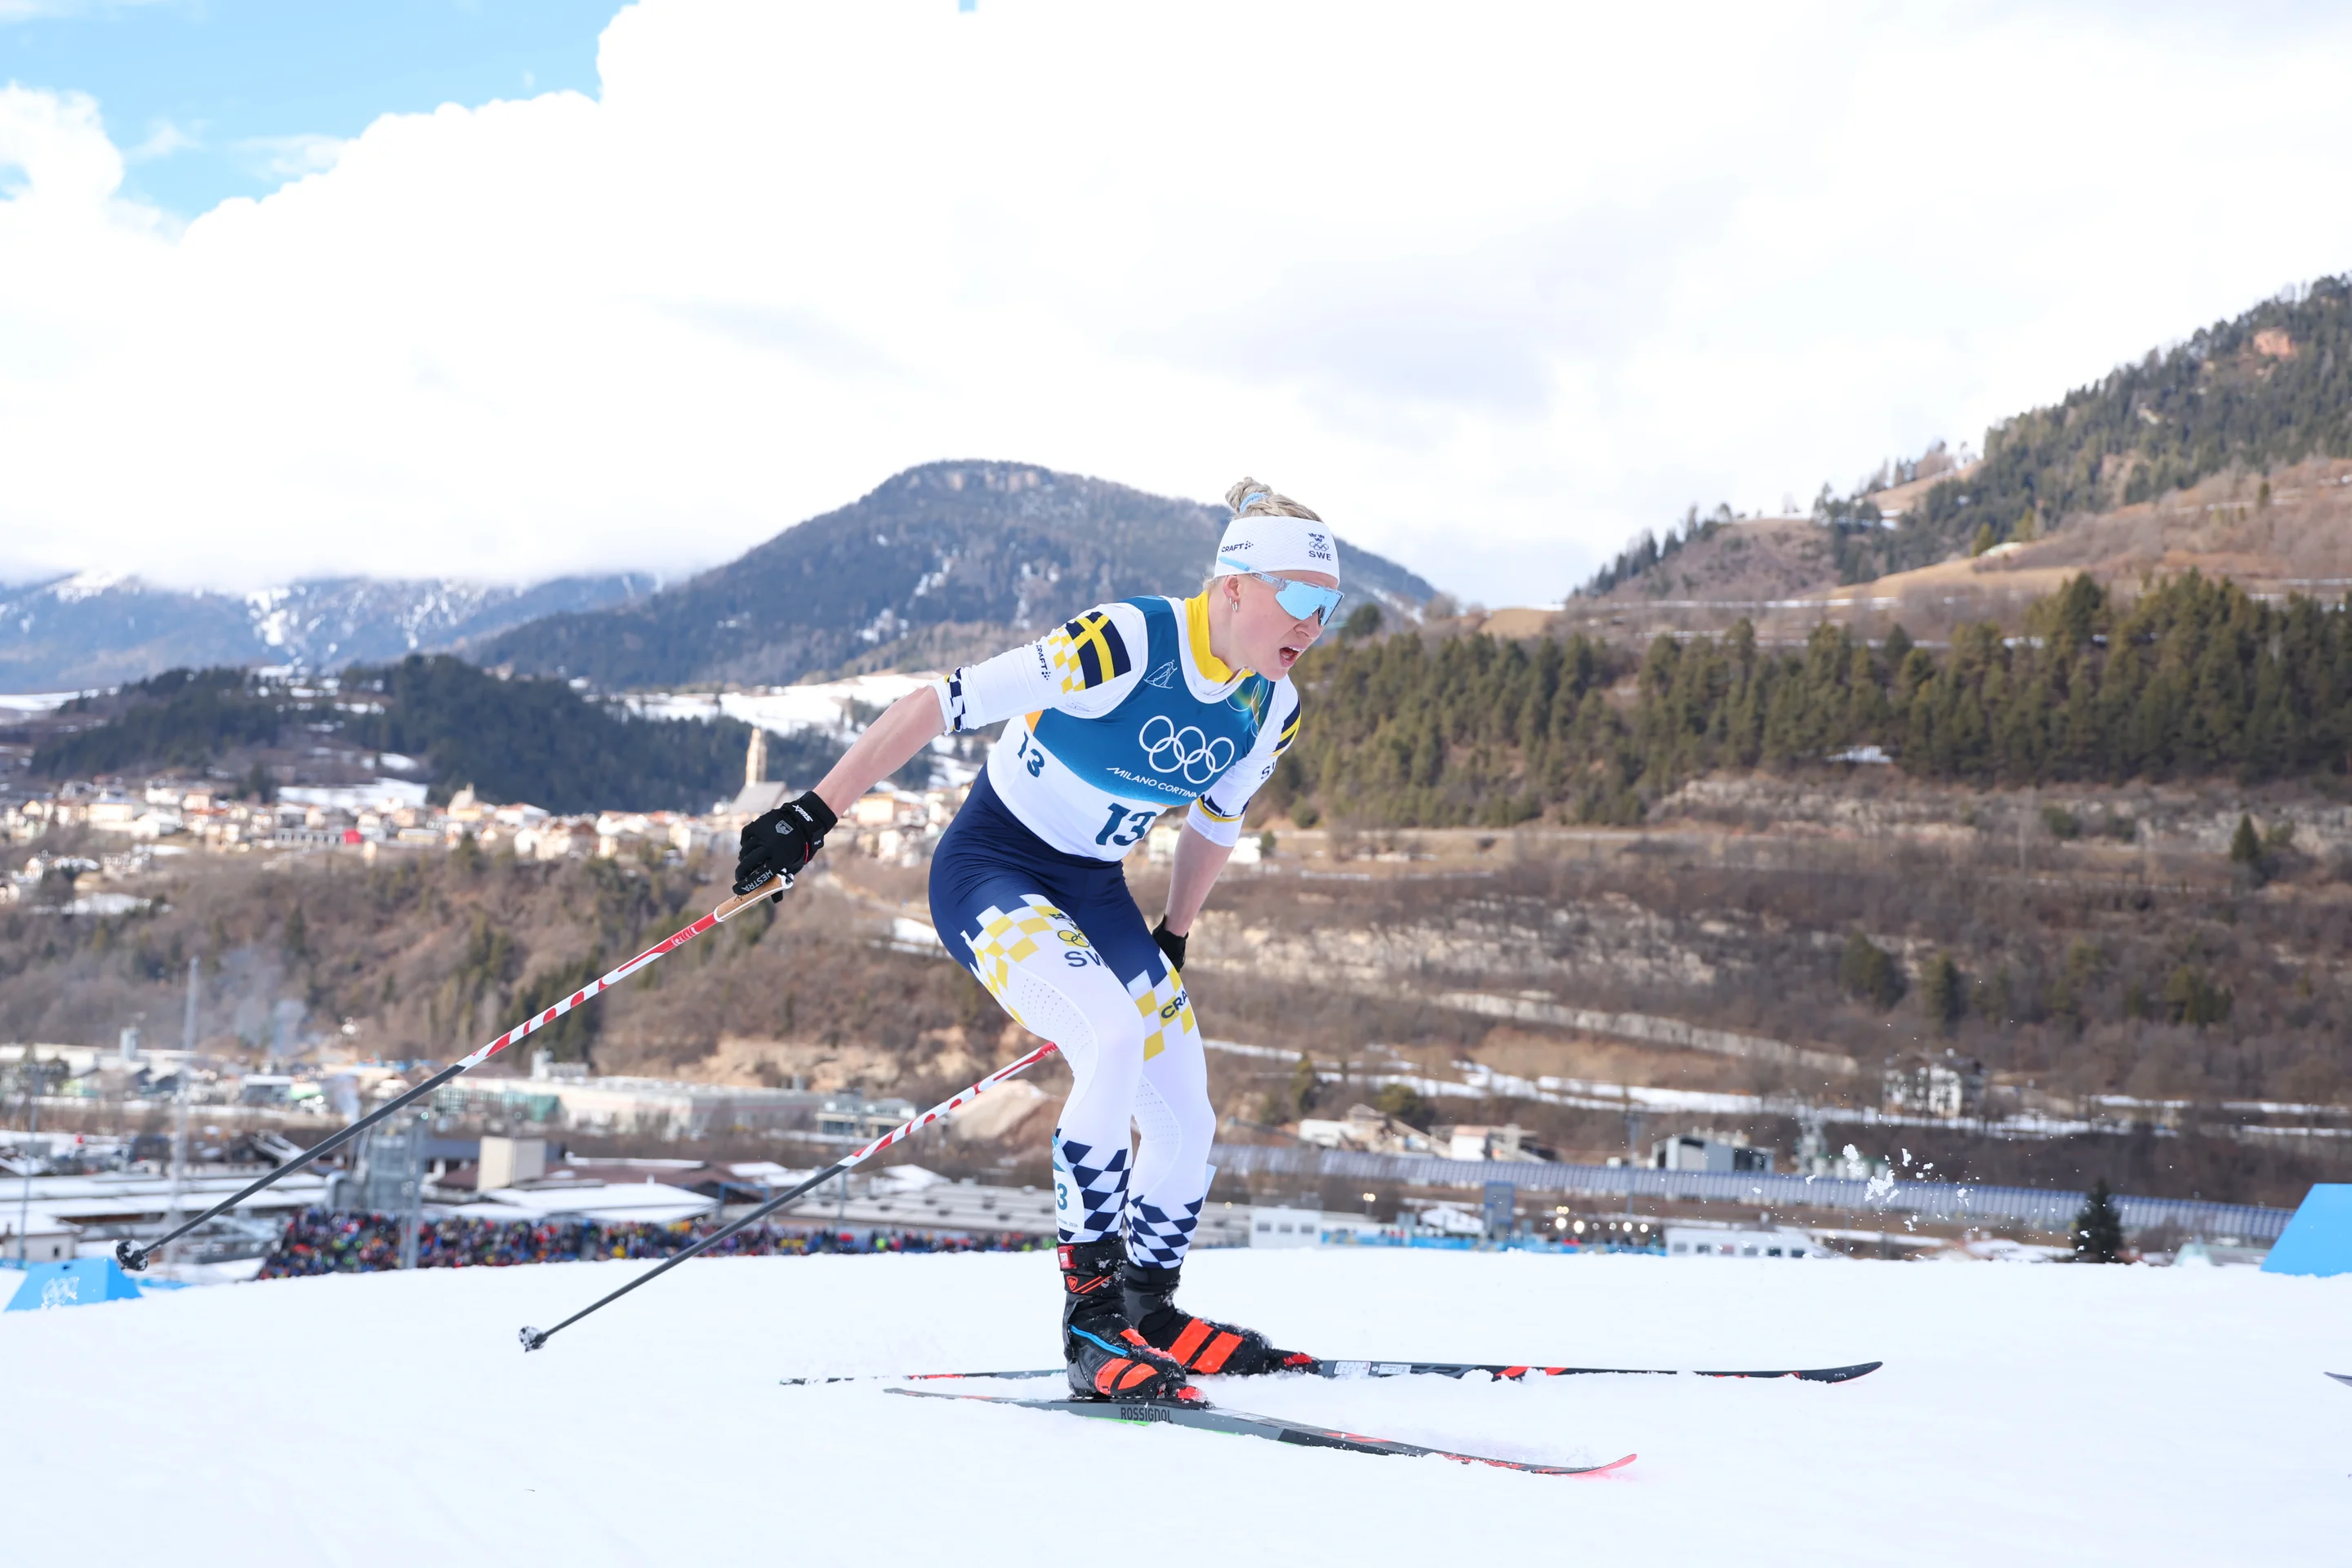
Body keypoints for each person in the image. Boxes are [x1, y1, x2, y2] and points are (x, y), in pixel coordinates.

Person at [734, 478, 1343, 1401]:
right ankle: (1090, 1323)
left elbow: (1216, 823)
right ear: (1233, 588)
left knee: (1185, 1100)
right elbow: (937, 702)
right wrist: (814, 813)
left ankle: (1149, 1308)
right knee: (1108, 1035)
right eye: (1298, 601)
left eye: (1328, 610)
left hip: (1094, 890)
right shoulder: (1127, 643)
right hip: (992, 868)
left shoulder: (1272, 707)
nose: (1312, 625)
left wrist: (1173, 931)